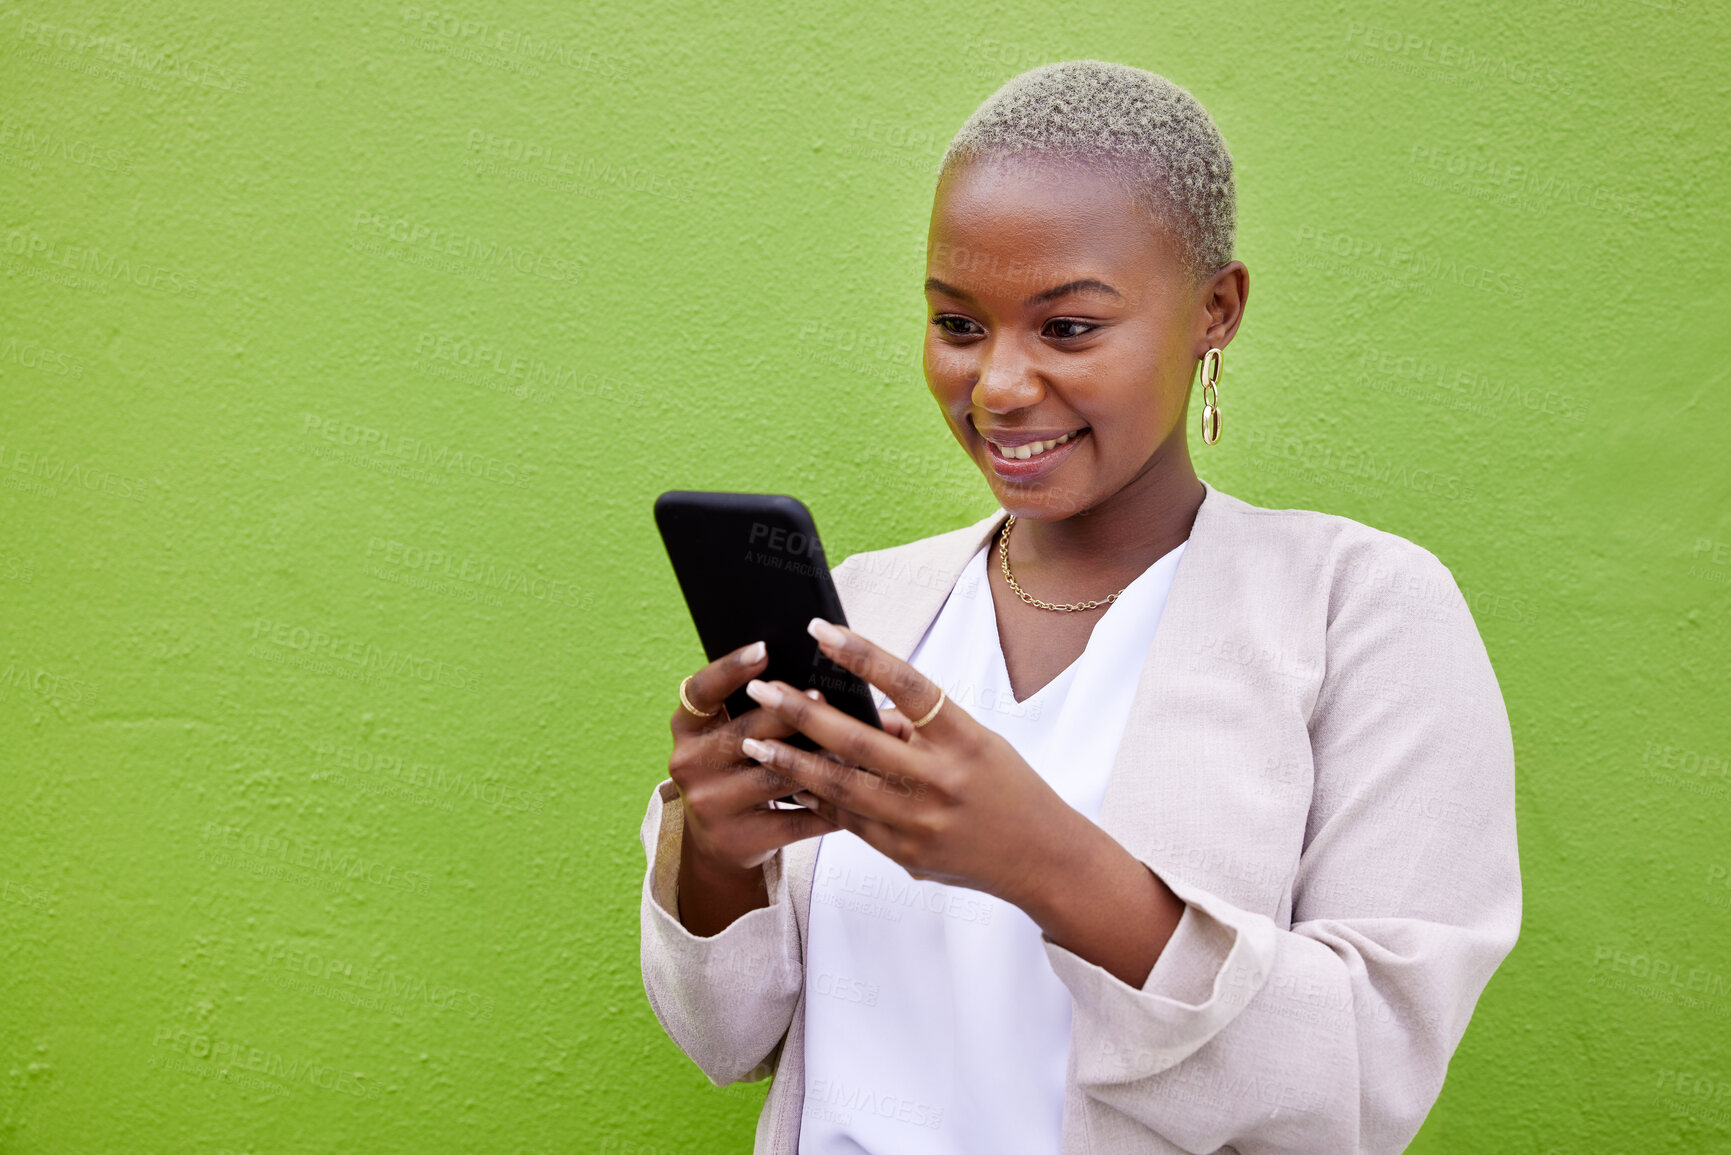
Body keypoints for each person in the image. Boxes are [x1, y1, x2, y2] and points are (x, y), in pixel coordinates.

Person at [638, 60, 1521, 1154]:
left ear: (1216, 310)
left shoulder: (1363, 614)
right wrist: (714, 856)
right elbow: (726, 1039)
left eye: (1067, 329)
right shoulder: (864, 608)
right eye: (958, 325)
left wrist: (1043, 861)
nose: (999, 386)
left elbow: (1363, 1084)